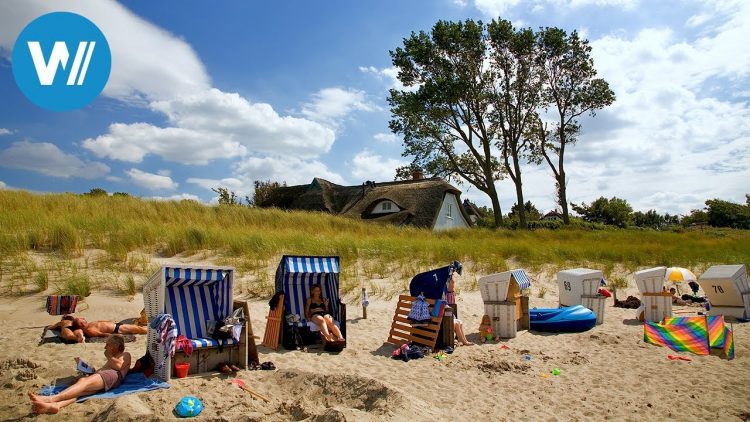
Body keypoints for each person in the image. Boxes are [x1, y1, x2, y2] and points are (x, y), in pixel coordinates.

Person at [28, 334, 131, 414]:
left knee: (84, 383)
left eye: (107, 344)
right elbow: (108, 368)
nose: (105, 347)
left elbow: (120, 366)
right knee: (81, 391)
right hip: (108, 378)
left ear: (116, 345)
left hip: (112, 375)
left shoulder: (125, 354)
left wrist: (109, 356)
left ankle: (51, 399)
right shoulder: (113, 357)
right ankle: (56, 405)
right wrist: (89, 370)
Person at [446, 274, 473, 346]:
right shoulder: (446, 283)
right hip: (445, 317)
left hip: (450, 297)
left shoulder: (449, 281)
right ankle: (464, 341)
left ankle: (464, 340)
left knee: (460, 322)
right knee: (457, 323)